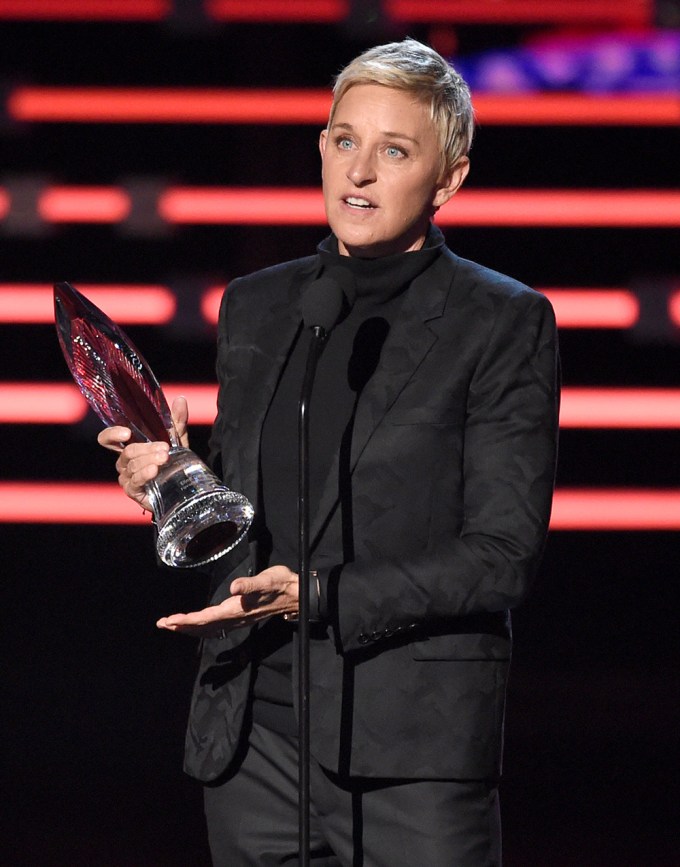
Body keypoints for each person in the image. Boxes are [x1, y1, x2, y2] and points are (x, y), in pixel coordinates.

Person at [99, 38, 559, 866]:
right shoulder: (259, 306)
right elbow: (253, 517)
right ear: (319, 148)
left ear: (449, 177)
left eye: (395, 150)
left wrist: (315, 595)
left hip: (411, 762)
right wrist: (179, 483)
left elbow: (501, 557)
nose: (360, 172)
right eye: (345, 141)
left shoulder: (501, 323)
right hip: (254, 748)